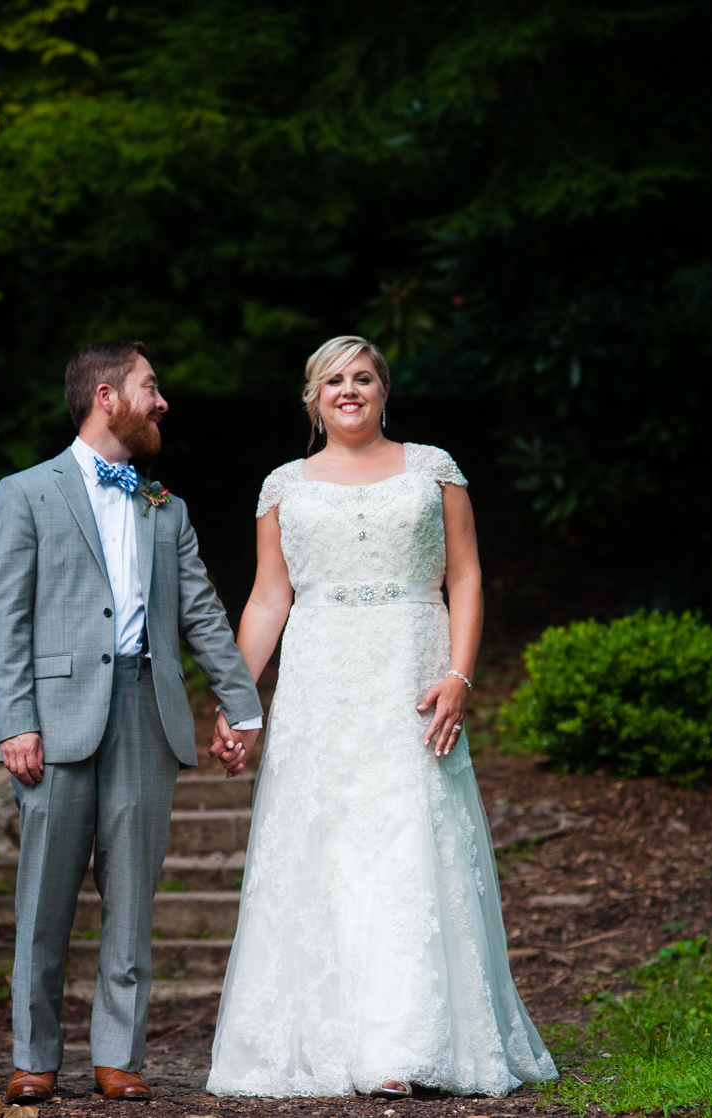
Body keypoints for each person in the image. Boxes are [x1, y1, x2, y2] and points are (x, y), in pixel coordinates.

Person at [205, 336, 558, 1098]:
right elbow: (271, 597)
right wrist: (240, 702)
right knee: (325, 847)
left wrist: (459, 674)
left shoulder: (433, 469)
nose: (349, 389)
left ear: (385, 391)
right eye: (333, 379)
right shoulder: (283, 487)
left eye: (363, 377)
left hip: (412, 676)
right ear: (312, 398)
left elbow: (464, 575)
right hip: (320, 684)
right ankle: (329, 1038)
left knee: (409, 847)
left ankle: (405, 1043)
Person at [0, 341, 261, 1104]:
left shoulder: (163, 507)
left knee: (133, 898)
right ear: (107, 397)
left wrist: (241, 706)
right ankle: (34, 1055)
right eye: (150, 387)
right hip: (56, 719)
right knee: (44, 899)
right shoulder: (26, 493)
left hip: (147, 710)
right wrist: (16, 721)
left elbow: (201, 612)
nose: (161, 400)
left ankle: (118, 1054)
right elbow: (4, 617)